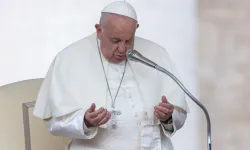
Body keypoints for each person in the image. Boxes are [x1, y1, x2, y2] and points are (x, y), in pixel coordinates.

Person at [33, 1, 189, 150]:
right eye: (115, 40)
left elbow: (179, 115)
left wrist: (168, 117)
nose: (123, 48)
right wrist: (85, 121)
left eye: (128, 41)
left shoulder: (156, 54)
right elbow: (54, 122)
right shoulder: (68, 58)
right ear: (99, 30)